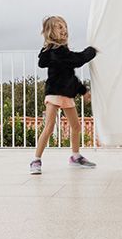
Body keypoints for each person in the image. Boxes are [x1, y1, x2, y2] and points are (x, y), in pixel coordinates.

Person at [30, 15, 97, 174]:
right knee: (49, 127)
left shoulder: (60, 52)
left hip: (66, 94)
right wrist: (92, 51)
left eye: (65, 27)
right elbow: (77, 59)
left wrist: (83, 91)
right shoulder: (56, 52)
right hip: (54, 93)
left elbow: (70, 76)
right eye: (60, 27)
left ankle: (75, 156)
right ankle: (36, 160)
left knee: (76, 126)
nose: (64, 30)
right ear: (50, 32)